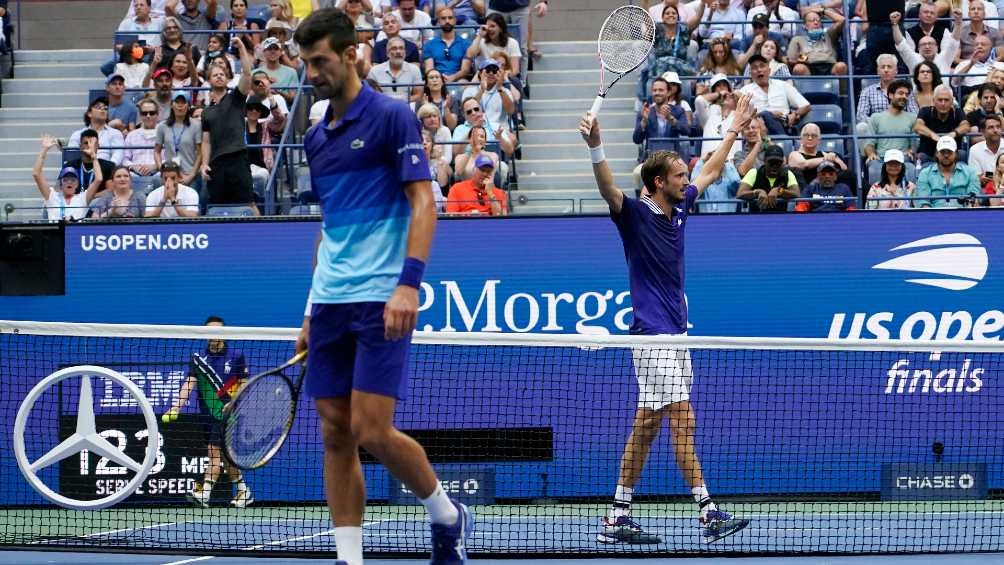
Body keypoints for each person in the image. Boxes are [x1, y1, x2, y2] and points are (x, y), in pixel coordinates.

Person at [294, 9, 473, 565]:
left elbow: (424, 201)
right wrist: (308, 310)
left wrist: (408, 285)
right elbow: (329, 232)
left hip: (381, 297)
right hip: (329, 302)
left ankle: (446, 512)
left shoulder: (393, 117)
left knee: (372, 429)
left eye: (320, 61)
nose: (312, 73)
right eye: (305, 63)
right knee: (334, 432)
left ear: (351, 54)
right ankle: (351, 561)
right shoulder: (315, 139)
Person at [579, 92, 754, 545]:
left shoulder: (679, 212)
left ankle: (617, 516)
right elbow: (607, 189)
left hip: (677, 334)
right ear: (658, 182)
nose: (686, 180)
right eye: (678, 175)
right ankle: (708, 512)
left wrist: (733, 127)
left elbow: (712, 168)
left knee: (648, 422)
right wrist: (596, 146)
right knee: (683, 416)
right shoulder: (636, 215)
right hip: (653, 336)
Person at [162, 315, 253, 508]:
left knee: (213, 453)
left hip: (227, 414)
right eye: (210, 331)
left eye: (218, 330)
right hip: (207, 414)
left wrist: (234, 403)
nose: (214, 335)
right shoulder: (199, 359)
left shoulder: (236, 356)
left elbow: (244, 384)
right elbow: (189, 383)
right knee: (226, 457)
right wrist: (177, 405)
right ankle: (244, 491)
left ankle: (205, 493)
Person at [200, 36, 259, 214]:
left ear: (227, 79)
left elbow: (248, 74)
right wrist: (204, 164)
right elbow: (206, 141)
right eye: (215, 75)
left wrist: (241, 47)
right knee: (218, 208)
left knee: (249, 203)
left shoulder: (236, 98)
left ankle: (264, 238)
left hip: (238, 159)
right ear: (209, 80)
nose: (219, 77)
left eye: (222, 74)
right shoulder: (206, 112)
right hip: (217, 164)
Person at [858, 79, 918, 185]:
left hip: (903, 159)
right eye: (900, 93)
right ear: (890, 95)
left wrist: (911, 149)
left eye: (906, 94)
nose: (904, 96)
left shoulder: (912, 118)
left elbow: (915, 142)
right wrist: (871, 153)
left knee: (911, 169)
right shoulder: (876, 117)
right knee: (874, 169)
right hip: (881, 158)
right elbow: (869, 143)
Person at [33, 135, 101, 221]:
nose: (69, 182)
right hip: (56, 233)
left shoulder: (82, 198)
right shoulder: (52, 196)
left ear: (77, 184)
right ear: (61, 184)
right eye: (65, 180)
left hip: (76, 233)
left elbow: (98, 179)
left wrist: (94, 157)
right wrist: (44, 150)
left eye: (73, 180)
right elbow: (36, 174)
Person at [738, 54, 809, 135]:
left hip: (783, 123)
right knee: (765, 114)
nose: (759, 70)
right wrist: (770, 115)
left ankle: (782, 141)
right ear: (750, 73)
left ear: (769, 70)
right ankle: (783, 141)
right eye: (754, 68)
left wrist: (794, 114)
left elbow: (806, 105)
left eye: (762, 66)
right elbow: (741, 115)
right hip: (757, 129)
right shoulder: (745, 90)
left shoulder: (782, 85)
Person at [916, 136, 982, 207]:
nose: (946, 155)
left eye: (949, 152)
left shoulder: (970, 172)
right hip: (934, 214)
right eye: (942, 152)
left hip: (963, 214)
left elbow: (973, 198)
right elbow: (923, 202)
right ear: (936, 154)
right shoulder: (925, 173)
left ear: (956, 154)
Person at [155, 92, 204, 189]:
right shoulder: (162, 126)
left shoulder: (196, 125)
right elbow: (157, 151)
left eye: (183, 102)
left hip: (189, 175)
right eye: (177, 102)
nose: (180, 106)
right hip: (169, 175)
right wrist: (162, 170)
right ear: (172, 105)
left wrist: (191, 175)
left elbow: (200, 153)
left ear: (188, 105)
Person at [914, 85, 970, 163]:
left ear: (952, 101)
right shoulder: (925, 111)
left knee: (963, 154)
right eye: (940, 100)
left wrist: (953, 134)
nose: (943, 103)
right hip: (929, 155)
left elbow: (966, 126)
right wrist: (933, 135)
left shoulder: (958, 112)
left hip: (952, 155)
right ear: (933, 101)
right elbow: (918, 126)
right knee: (921, 156)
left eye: (946, 100)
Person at [737, 143, 800, 212]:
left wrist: (780, 191)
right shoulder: (754, 172)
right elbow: (740, 193)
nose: (774, 166)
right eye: (771, 162)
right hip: (756, 216)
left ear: (783, 163)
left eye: (778, 162)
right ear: (764, 161)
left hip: (781, 217)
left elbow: (796, 193)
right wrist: (757, 192)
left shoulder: (788, 174)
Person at [786, 7, 846, 76]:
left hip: (830, 65)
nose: (816, 23)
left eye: (818, 20)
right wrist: (804, 57)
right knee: (799, 68)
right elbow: (791, 60)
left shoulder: (829, 35)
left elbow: (842, 20)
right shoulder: (798, 39)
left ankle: (844, 87)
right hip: (809, 67)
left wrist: (823, 11)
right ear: (805, 26)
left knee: (841, 66)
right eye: (811, 21)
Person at [123, 99, 164, 195]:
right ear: (140, 115)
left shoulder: (165, 134)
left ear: (158, 115)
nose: (148, 116)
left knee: (161, 176)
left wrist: (156, 166)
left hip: (158, 172)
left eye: (152, 113)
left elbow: (171, 157)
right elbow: (124, 159)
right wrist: (134, 167)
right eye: (144, 113)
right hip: (135, 173)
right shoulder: (131, 135)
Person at [68, 97, 126, 165]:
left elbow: (118, 154)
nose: (103, 109)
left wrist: (109, 168)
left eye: (105, 108)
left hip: (106, 170)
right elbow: (71, 155)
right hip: (83, 169)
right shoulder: (77, 134)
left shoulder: (115, 133)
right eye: (98, 107)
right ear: (89, 113)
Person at [367, 36, 424, 104]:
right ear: (387, 53)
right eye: (394, 48)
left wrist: (401, 102)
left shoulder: (414, 70)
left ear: (405, 53)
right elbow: (372, 97)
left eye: (401, 48)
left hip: (406, 107)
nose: (398, 51)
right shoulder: (374, 71)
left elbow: (418, 95)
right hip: (382, 107)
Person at [422, 6, 472, 83]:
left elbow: (465, 70)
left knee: (463, 82)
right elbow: (429, 69)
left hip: (458, 80)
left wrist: (453, 77)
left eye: (450, 18)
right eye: (443, 18)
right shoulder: (429, 44)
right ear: (438, 21)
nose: (447, 21)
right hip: (436, 79)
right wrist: (440, 78)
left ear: (455, 20)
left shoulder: (465, 43)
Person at [968, 113, 1004, 179]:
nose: (995, 130)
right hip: (985, 187)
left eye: (998, 127)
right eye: (991, 127)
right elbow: (975, 177)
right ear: (983, 132)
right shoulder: (975, 150)